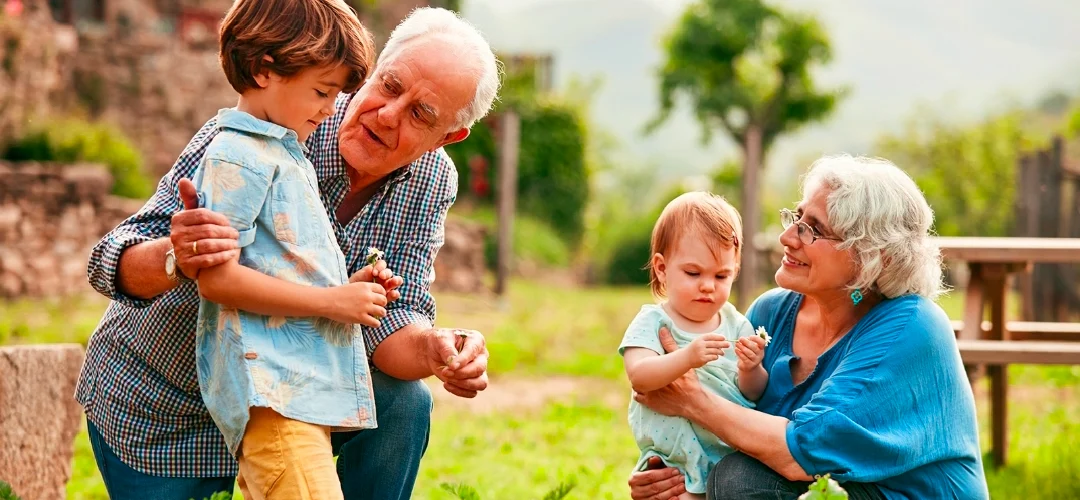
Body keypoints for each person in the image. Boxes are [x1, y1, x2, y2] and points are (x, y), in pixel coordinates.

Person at [76, 7, 500, 500]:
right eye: (389, 85)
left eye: (420, 114)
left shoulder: (431, 179)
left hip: (290, 402)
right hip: (169, 402)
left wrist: (434, 349)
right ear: (376, 66)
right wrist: (179, 254)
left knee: (404, 403)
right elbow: (110, 260)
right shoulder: (274, 116)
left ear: (448, 137)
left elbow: (390, 320)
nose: (387, 114)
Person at [628, 154, 989, 500]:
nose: (788, 238)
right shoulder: (770, 312)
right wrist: (671, 474)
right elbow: (733, 421)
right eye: (796, 218)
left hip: (898, 494)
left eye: (813, 230)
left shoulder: (911, 327)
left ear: (873, 258)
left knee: (742, 480)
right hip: (821, 489)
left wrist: (692, 401)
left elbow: (801, 452)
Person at [186, 0, 386, 498]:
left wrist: (346, 291)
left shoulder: (279, 151)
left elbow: (279, 265)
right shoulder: (238, 154)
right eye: (322, 91)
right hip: (274, 400)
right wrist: (330, 303)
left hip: (297, 396)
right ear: (263, 70)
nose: (330, 107)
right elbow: (216, 278)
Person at [619, 192, 769, 500]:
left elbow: (752, 393)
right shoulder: (654, 322)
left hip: (723, 456)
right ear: (662, 269)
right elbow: (640, 376)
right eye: (693, 273)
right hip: (672, 459)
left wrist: (751, 368)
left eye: (721, 275)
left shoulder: (736, 324)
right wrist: (687, 357)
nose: (707, 285)